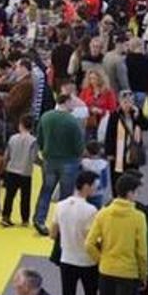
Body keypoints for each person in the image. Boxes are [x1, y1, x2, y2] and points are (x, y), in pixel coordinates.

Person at [48, 171, 101, 295]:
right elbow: (91, 239)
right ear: (86, 186)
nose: (96, 188)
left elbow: (52, 233)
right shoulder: (91, 210)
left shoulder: (61, 205)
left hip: (67, 260)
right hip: (87, 262)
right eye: (95, 185)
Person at [33, 94, 86, 235]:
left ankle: (39, 219)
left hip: (49, 160)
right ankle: (62, 224)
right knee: (66, 196)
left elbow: (39, 138)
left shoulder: (46, 117)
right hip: (69, 162)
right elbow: (79, 146)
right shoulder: (72, 121)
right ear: (67, 102)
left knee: (46, 191)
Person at [1, 116, 37, 228]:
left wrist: (3, 167)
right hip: (25, 172)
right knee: (25, 197)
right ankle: (25, 219)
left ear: (20, 125)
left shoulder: (12, 138)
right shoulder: (33, 141)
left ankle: (5, 217)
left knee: (9, 195)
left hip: (11, 170)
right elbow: (34, 158)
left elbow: (6, 155)